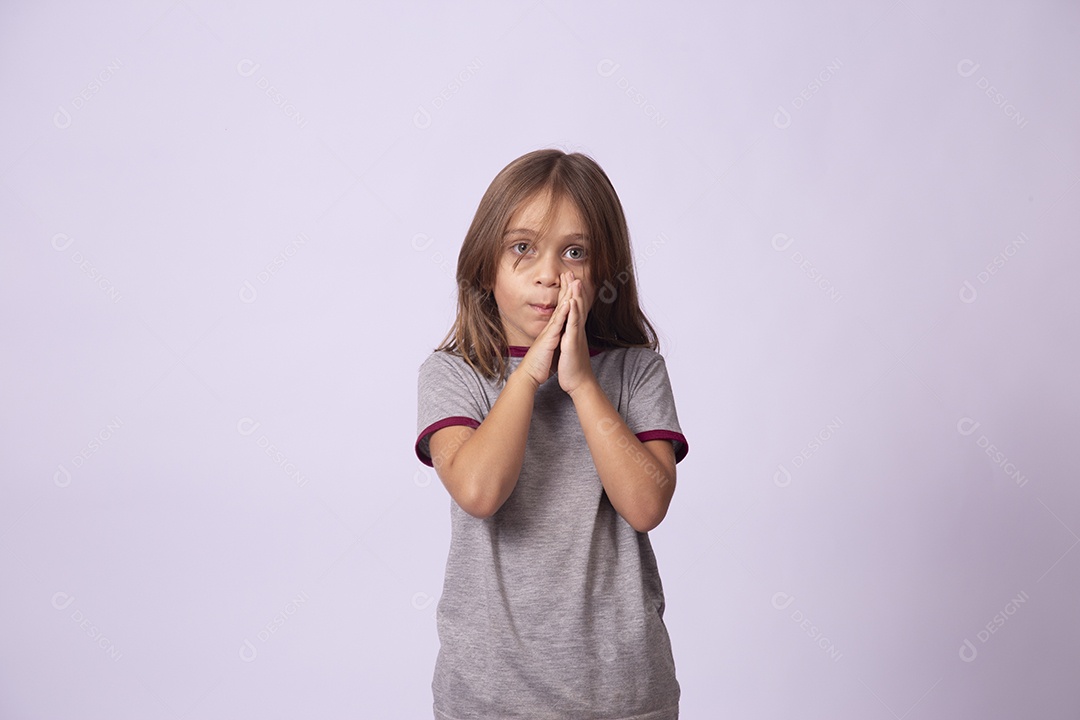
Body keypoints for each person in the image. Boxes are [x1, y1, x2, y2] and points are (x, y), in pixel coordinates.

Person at [414, 148, 689, 720]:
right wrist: (531, 373)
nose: (547, 274)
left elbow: (645, 506)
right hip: (489, 700)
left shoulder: (636, 371)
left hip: (624, 696)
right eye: (522, 248)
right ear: (486, 265)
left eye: (574, 252)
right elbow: (479, 491)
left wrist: (582, 383)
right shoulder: (453, 373)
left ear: (602, 271)